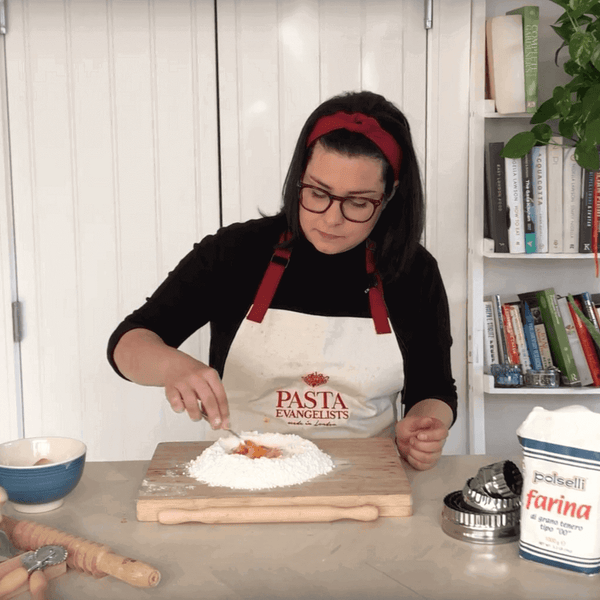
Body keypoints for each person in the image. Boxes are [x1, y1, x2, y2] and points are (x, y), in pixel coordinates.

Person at [107, 90, 458, 471]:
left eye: (358, 202)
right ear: (299, 178)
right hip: (244, 473)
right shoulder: (235, 253)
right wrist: (172, 366)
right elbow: (128, 343)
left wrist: (426, 427)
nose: (331, 218)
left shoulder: (413, 270)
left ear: (390, 195)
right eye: (317, 193)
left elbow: (433, 390)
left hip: (366, 479)